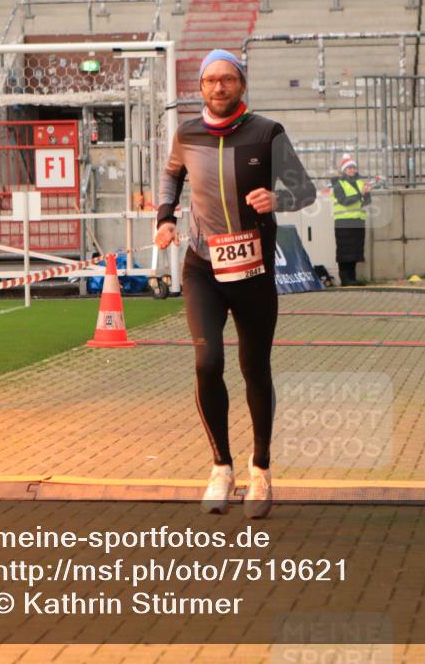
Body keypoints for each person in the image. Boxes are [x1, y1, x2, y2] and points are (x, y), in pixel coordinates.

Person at [154, 49, 316, 518]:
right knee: (207, 362)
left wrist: (277, 199)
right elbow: (171, 177)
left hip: (253, 269)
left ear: (241, 84)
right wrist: (165, 217)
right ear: (201, 88)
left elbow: (304, 190)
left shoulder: (267, 132)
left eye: (227, 79)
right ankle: (220, 467)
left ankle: (260, 469)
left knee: (254, 368)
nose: (219, 87)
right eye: (210, 80)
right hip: (203, 266)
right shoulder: (187, 133)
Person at [330, 154, 372, 286]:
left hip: (358, 221)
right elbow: (344, 201)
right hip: (343, 222)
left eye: (353, 167)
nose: (352, 170)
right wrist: (360, 194)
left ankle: (352, 278)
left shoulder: (360, 182)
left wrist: (367, 193)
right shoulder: (338, 184)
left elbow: (366, 201)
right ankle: (345, 278)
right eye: (349, 168)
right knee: (345, 250)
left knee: (355, 250)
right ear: (344, 170)